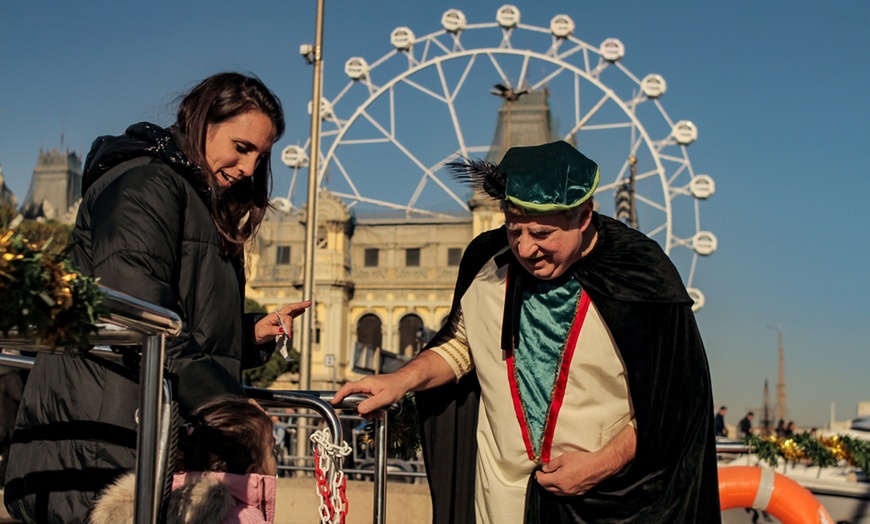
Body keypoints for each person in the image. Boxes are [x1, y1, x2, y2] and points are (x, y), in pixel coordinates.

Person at [333, 141, 720, 523]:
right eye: (513, 230)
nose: (525, 248)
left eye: (541, 233)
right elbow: (462, 346)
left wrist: (603, 463)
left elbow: (679, 402)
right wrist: (401, 380)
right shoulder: (486, 262)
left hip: (607, 499)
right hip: (502, 495)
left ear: (583, 216)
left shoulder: (641, 275)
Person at [4, 72, 310, 523]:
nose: (249, 168)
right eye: (241, 147)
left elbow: (180, 320)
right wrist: (230, 404)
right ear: (202, 122)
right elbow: (138, 313)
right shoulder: (145, 186)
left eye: (260, 156)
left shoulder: (197, 198)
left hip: (144, 425)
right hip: (104, 432)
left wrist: (248, 335)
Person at [90, 395, 278, 524]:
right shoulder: (245, 518)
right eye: (272, 451)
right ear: (252, 469)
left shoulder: (145, 506)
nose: (274, 458)